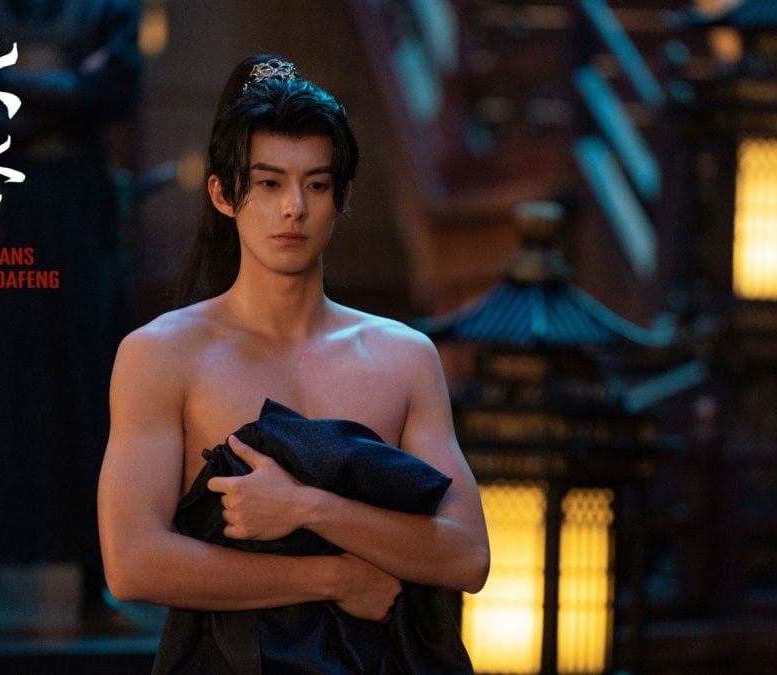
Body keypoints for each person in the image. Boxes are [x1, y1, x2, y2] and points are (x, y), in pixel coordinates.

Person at [97, 55, 490, 672]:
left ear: (343, 196)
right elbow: (132, 563)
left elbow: (467, 557)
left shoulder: (403, 355)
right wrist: (332, 578)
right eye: (269, 183)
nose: (294, 208)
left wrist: (307, 507)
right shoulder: (162, 353)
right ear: (223, 194)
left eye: (317, 185)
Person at [0, 0, 141, 637]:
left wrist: (3, 79)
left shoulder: (105, 7)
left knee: (86, 394)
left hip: (76, 216)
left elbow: (114, 91)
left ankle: (94, 581)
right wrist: (66, 85)